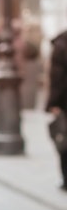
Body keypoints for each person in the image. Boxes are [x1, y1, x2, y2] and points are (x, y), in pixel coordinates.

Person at [46, 25, 67, 191]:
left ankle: (66, 179)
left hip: (65, 101)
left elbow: (57, 77)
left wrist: (54, 103)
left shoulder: (61, 43)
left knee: (64, 141)